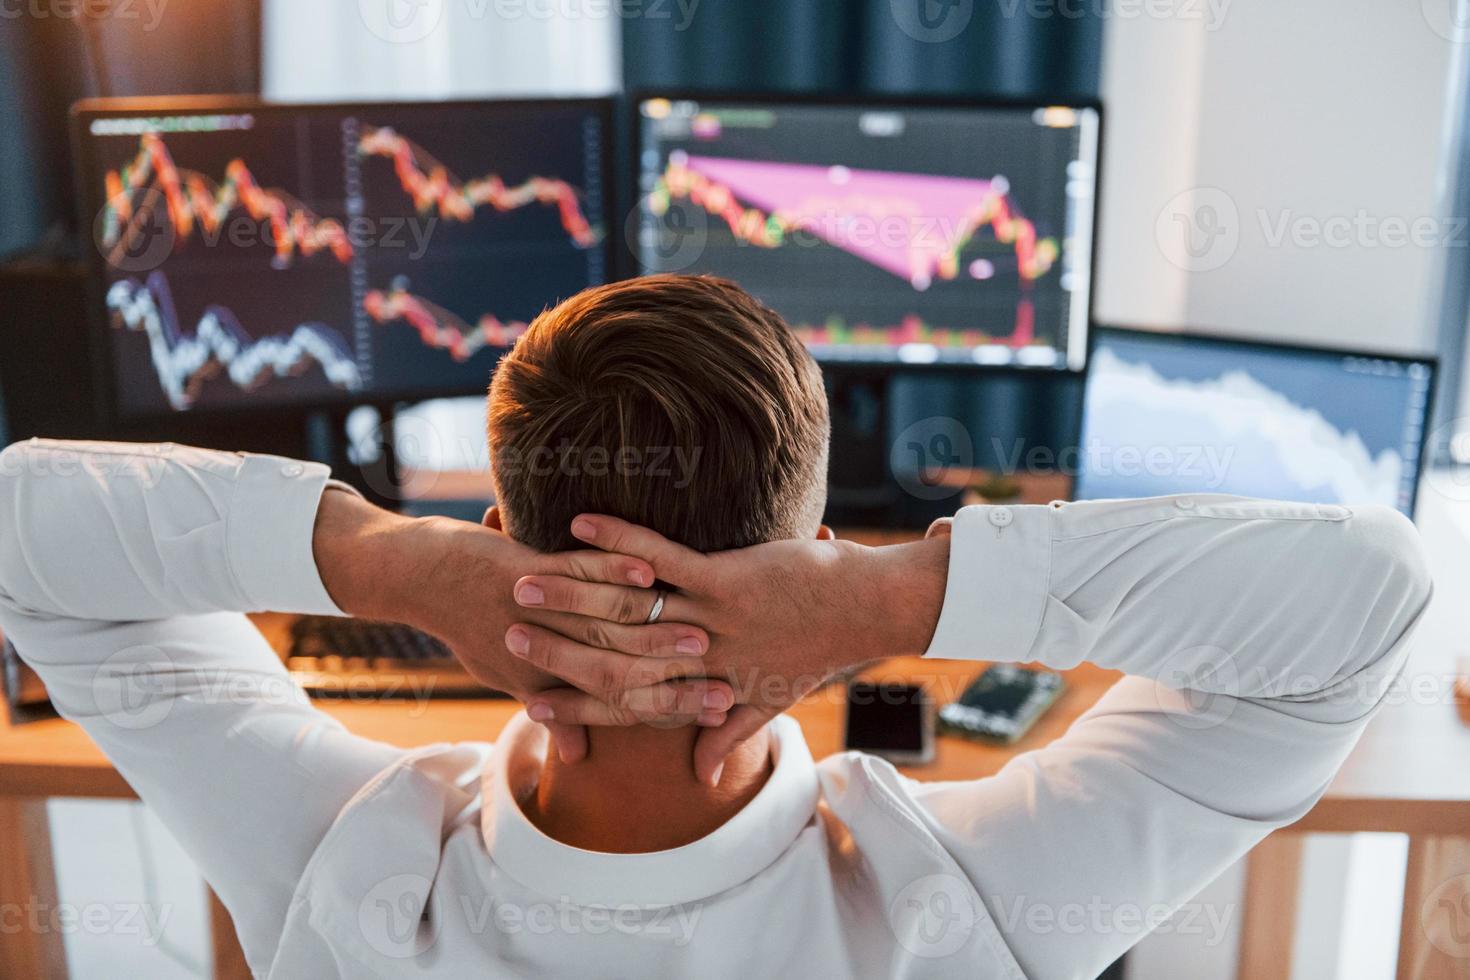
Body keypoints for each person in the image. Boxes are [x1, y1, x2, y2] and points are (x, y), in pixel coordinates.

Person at [0, 275, 1431, 979]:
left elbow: (26, 533)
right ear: (801, 566)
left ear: (501, 546)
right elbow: (1369, 601)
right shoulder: (975, 906)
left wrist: (387, 562)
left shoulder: (328, 863)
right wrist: (895, 596)